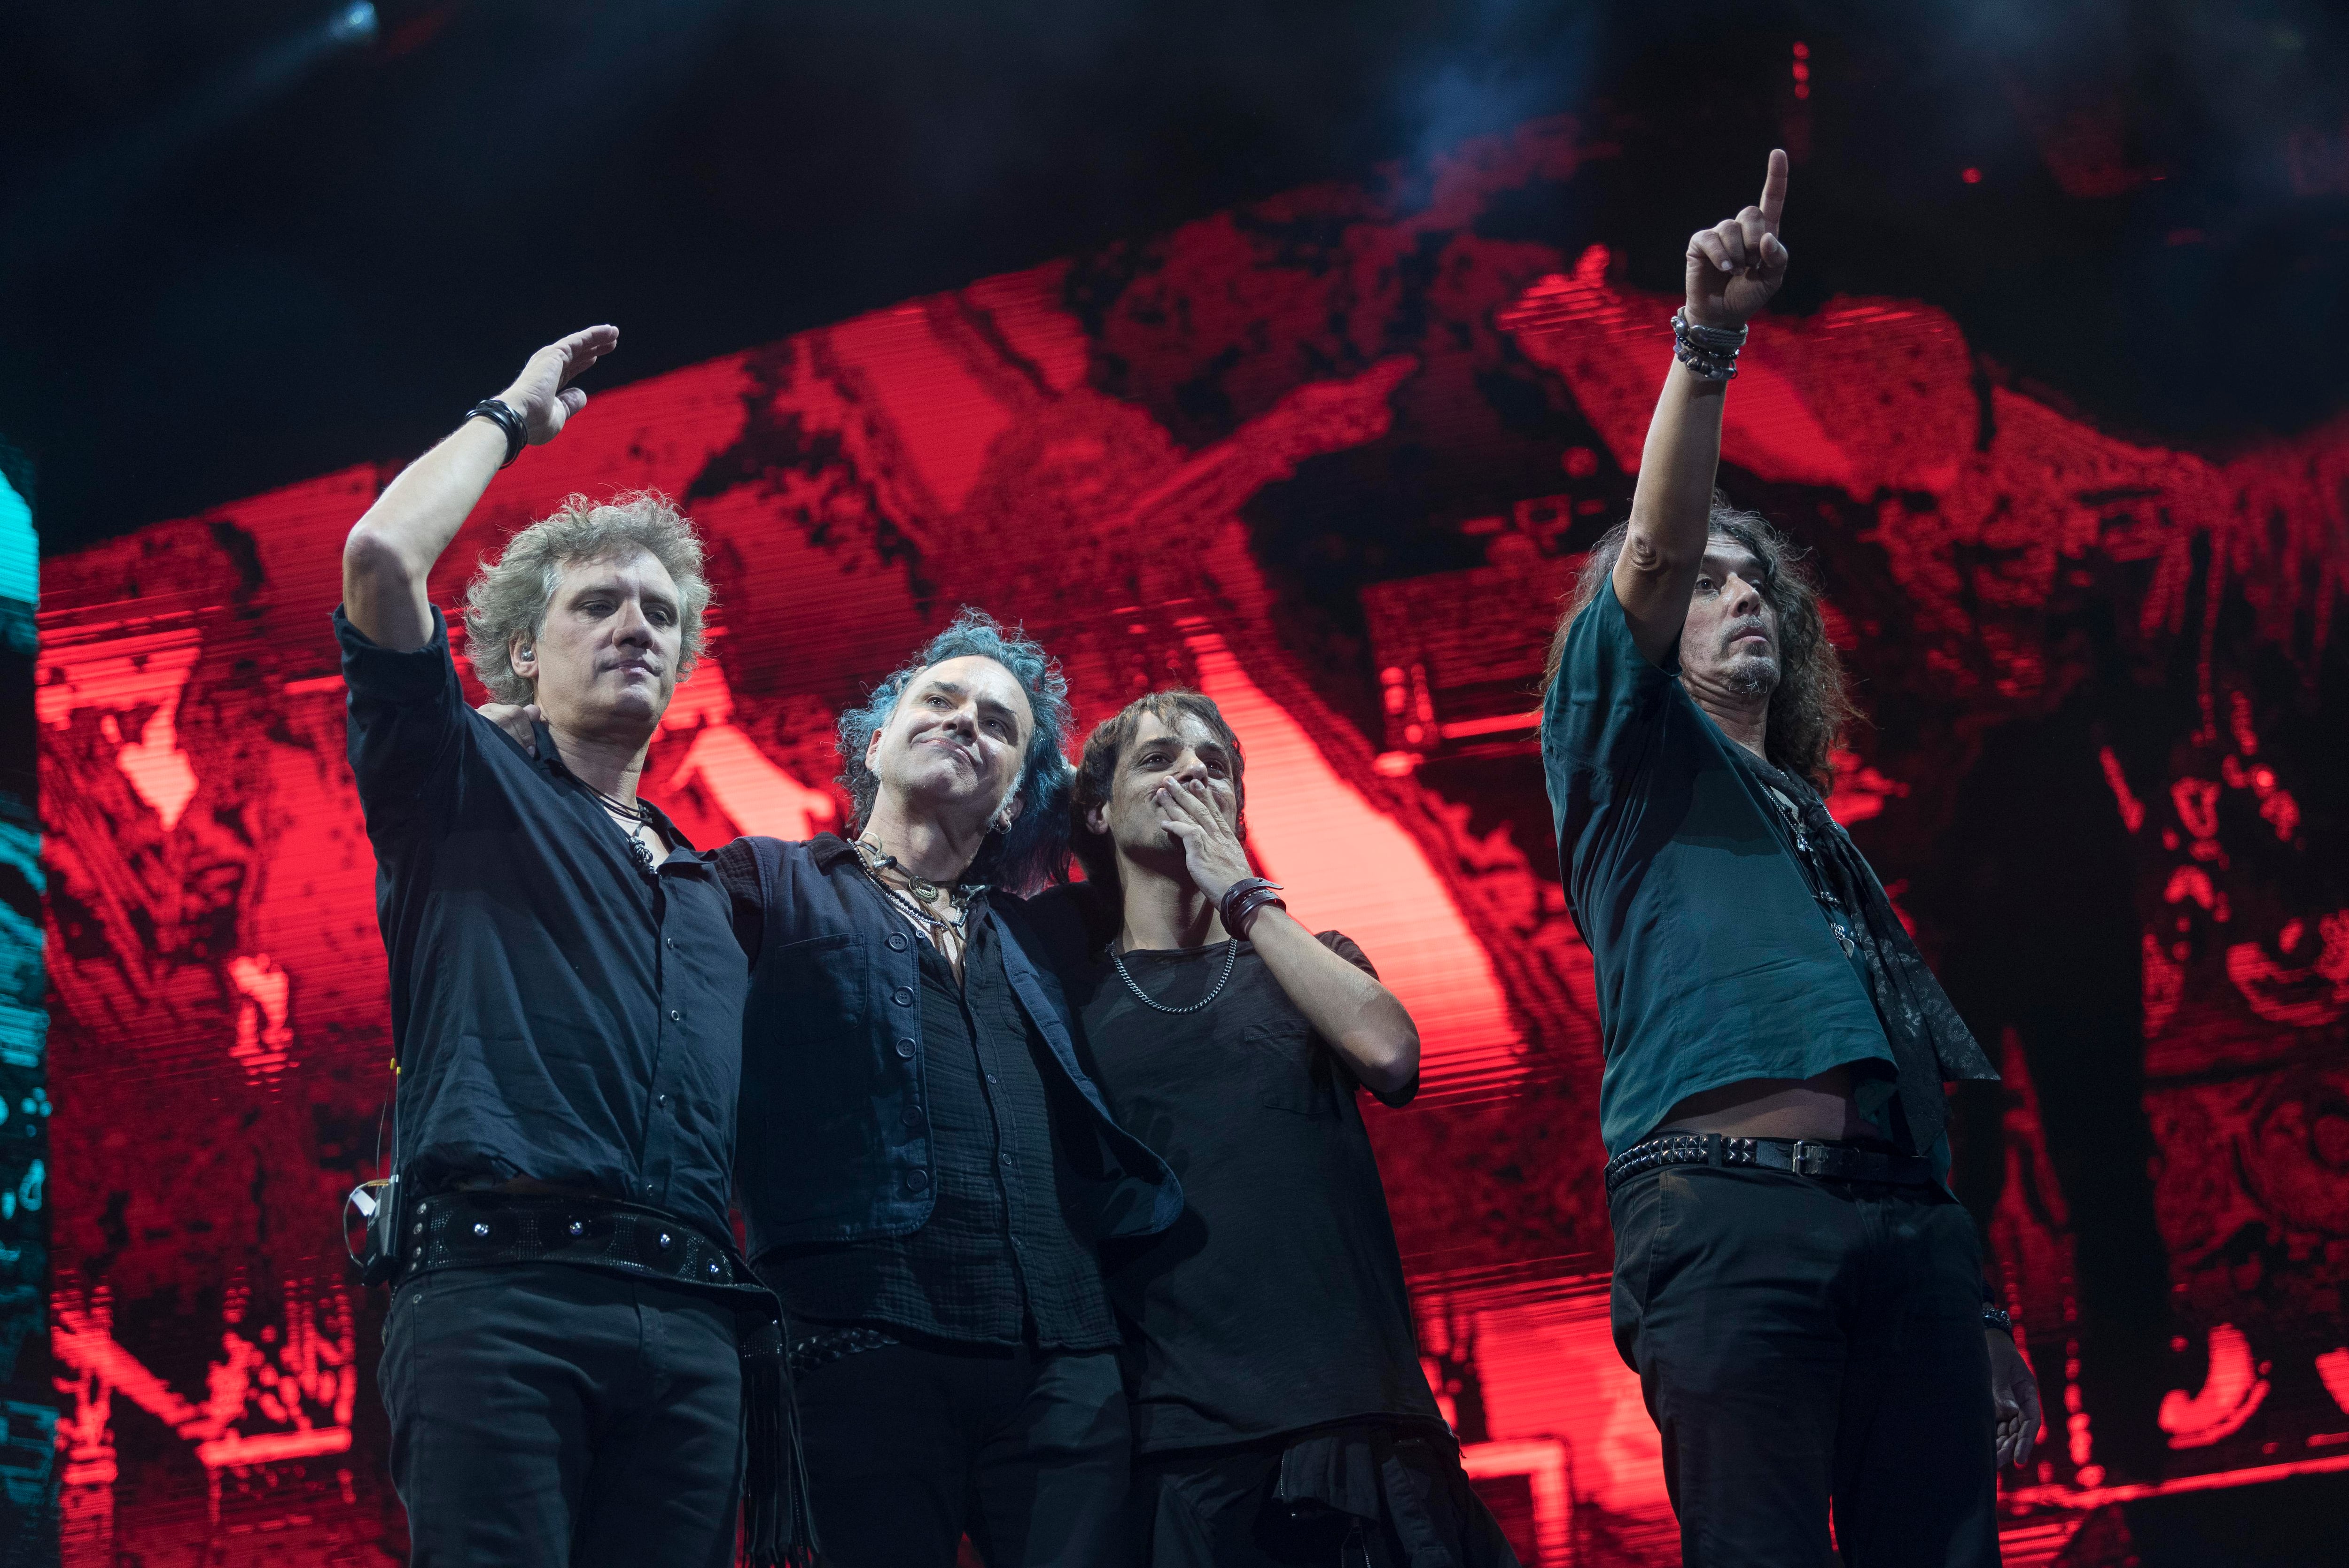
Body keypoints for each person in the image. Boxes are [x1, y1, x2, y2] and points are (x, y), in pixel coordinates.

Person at [1540, 153, 2041, 1565]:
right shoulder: (1621, 757)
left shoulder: (1821, 833)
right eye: (1712, 580)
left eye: (1760, 581)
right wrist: (1708, 343)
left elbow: (1909, 1079)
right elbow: (1651, 539)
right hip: (1732, 1213)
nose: (1739, 590)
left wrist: (1979, 1301)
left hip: (1909, 1239)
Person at [339, 326, 808, 1565]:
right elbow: (381, 556)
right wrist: (509, 416)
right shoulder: (458, 781)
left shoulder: (713, 887)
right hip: (503, 1308)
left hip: (696, 1331)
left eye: (661, 611)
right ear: (520, 654)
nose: (635, 626)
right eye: (597, 604)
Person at [713, 612, 1183, 1568]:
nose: (967, 721)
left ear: (1013, 799)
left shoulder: (1048, 936)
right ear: (877, 740)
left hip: (1064, 1355)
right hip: (855, 1340)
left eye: (998, 723)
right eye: (941, 699)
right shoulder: (769, 883)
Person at [1047, 690, 1519, 1568]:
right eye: (1158, 759)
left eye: (1213, 764)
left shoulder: (1309, 957)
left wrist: (1244, 896)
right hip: (1181, 1440)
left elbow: (1390, 1053)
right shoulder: (1069, 1003)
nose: (1191, 771)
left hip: (1354, 1417)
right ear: (1098, 809)